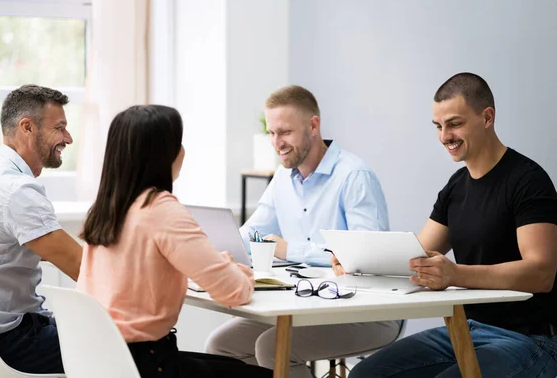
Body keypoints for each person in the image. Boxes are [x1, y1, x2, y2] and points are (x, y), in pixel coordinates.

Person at [348, 72, 557, 378]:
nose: (445, 136)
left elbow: (542, 273)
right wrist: (357, 262)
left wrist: (457, 274)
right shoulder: (457, 186)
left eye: (455, 123)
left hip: (530, 339)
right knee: (365, 374)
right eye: (439, 126)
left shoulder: (528, 180)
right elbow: (415, 256)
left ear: (487, 117)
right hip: (465, 330)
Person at [205, 85, 400, 377]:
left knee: (273, 348)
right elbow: (253, 232)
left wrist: (291, 250)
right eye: (271, 133)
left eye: (284, 132)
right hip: (304, 302)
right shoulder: (283, 178)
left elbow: (367, 259)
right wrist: (212, 251)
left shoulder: (354, 176)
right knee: (220, 346)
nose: (276, 143)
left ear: (313, 125)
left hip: (369, 310)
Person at [76, 105, 272, 378]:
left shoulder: (104, 209)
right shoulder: (160, 209)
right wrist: (233, 266)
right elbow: (235, 291)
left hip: (101, 360)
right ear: (165, 154)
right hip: (146, 363)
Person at [0, 84, 83, 374]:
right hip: (10, 342)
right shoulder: (15, 191)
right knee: (127, 345)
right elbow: (81, 266)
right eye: (60, 127)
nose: (69, 138)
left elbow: (47, 250)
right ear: (27, 127)